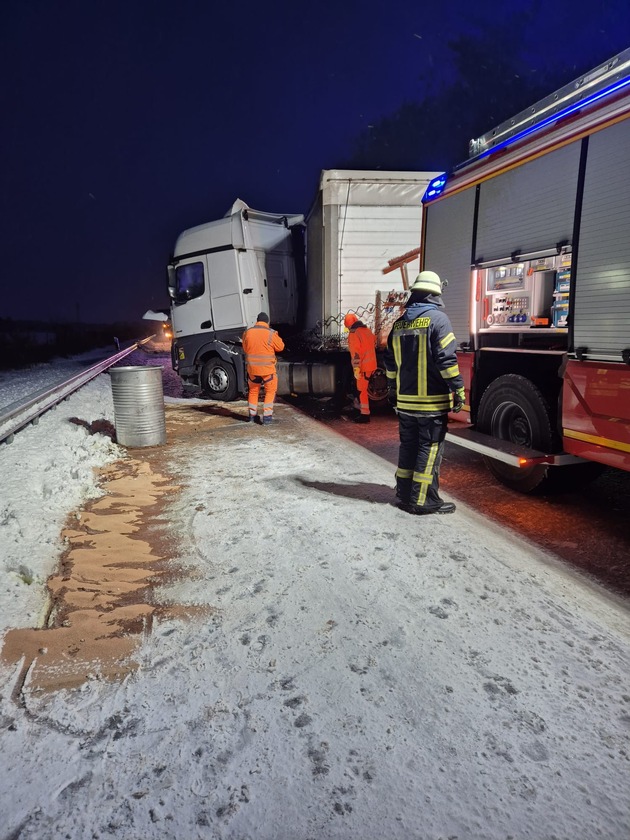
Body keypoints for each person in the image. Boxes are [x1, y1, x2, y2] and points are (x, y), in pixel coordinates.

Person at [383, 271, 465, 515]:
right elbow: (446, 360)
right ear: (434, 295)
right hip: (431, 404)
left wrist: (392, 390)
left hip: (405, 403)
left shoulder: (398, 324)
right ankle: (423, 501)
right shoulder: (438, 320)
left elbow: (390, 363)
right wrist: (458, 389)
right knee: (429, 449)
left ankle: (404, 494)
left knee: (408, 446)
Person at [241, 312, 285, 425]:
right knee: (270, 391)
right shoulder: (271, 333)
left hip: (253, 370)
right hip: (267, 371)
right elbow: (281, 347)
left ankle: (252, 416)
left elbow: (245, 348)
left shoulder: (247, 333)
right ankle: (267, 418)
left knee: (253, 391)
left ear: (257, 320)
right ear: (267, 322)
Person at [344, 313, 377, 424]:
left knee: (361, 390)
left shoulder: (354, 334)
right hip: (371, 365)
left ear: (348, 325)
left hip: (363, 367)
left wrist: (356, 369)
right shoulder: (366, 330)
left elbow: (356, 354)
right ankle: (362, 411)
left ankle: (365, 415)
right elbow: (374, 341)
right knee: (362, 389)